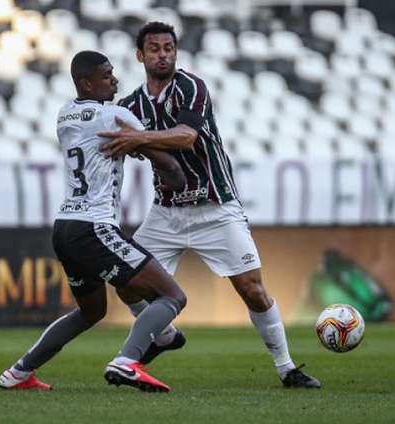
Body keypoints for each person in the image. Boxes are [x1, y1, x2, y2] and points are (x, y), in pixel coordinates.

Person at [97, 21, 320, 388]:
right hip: (166, 212)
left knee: (252, 288)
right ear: (140, 56)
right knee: (127, 283)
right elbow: (130, 148)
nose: (163, 54)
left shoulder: (191, 86)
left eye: (168, 47)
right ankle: (166, 335)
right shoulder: (131, 105)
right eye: (154, 48)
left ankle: (287, 368)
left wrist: (137, 137)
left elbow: (186, 136)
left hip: (214, 205)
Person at [0, 51, 189, 393]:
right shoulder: (115, 115)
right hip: (94, 226)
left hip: (65, 227)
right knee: (172, 296)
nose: (115, 80)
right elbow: (171, 170)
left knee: (91, 311)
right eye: (107, 75)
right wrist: (152, 153)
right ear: (87, 82)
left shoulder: (65, 114)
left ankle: (19, 372)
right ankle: (128, 360)